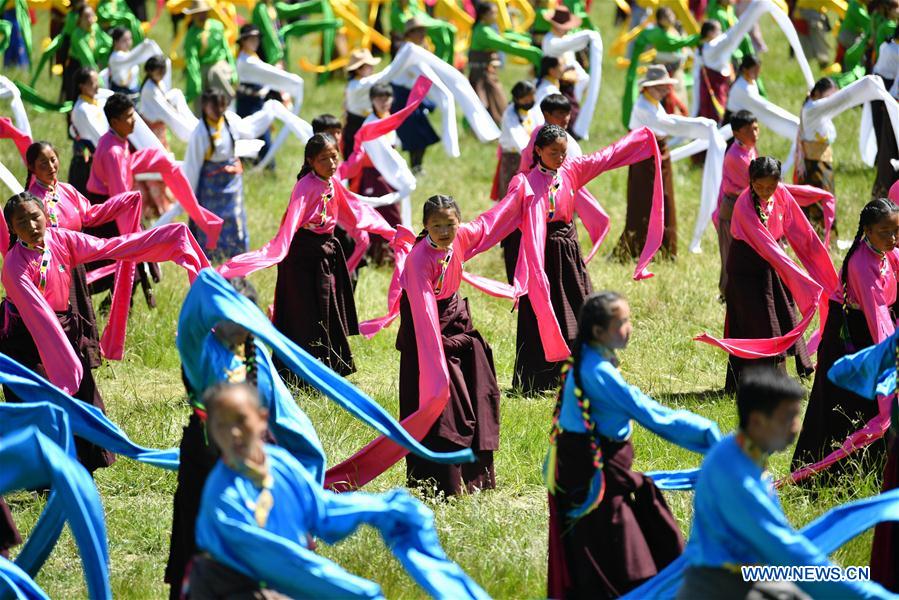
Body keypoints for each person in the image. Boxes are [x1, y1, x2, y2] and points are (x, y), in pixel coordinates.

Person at [186, 382, 488, 599]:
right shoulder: (222, 499)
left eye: (241, 421)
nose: (234, 433)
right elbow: (280, 561)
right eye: (222, 425)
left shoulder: (278, 464)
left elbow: (321, 510)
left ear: (263, 419)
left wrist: (380, 508)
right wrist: (353, 591)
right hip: (231, 588)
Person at [0, 192, 209, 471]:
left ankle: (85, 465)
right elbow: (40, 320)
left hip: (61, 327)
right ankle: (47, 476)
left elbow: (109, 247)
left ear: (45, 217)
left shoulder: (61, 239)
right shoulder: (14, 266)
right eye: (21, 221)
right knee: (43, 403)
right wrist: (66, 371)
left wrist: (167, 239)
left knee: (83, 396)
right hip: (26, 339)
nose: (31, 225)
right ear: (12, 229)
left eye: (34, 216)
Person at [546, 292, 721, 598]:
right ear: (599, 332)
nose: (629, 328)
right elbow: (651, 414)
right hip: (595, 482)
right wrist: (708, 434)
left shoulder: (588, 358)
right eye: (621, 322)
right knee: (623, 558)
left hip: (588, 475)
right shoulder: (597, 373)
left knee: (607, 550)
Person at [676, 368, 879, 599]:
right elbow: (786, 550)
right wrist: (870, 594)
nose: (797, 428)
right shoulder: (738, 478)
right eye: (788, 418)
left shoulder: (740, 451)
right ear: (757, 421)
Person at [218, 133, 396, 377]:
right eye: (324, 159)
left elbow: (356, 211)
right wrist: (277, 250)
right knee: (303, 316)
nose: (331, 164)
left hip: (324, 254)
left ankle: (329, 370)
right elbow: (291, 222)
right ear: (311, 161)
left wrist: (391, 233)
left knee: (327, 310)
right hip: (301, 259)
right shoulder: (305, 186)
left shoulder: (332, 184)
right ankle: (296, 374)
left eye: (334, 157)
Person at [511, 125, 661, 394]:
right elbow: (498, 218)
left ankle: (587, 368)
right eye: (553, 151)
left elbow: (605, 157)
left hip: (567, 249)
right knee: (541, 311)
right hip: (540, 253)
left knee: (580, 305)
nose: (559, 157)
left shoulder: (571, 170)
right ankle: (539, 378)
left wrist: (640, 139)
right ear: (538, 151)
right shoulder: (525, 183)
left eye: (563, 152)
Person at [390, 195, 518, 495]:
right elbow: (422, 313)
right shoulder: (419, 260)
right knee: (438, 402)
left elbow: (492, 221)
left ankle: (475, 478)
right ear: (425, 226)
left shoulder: (460, 238)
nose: (445, 231)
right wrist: (436, 365)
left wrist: (519, 194)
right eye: (436, 225)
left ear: (459, 223)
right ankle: (438, 482)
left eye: (450, 224)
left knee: (474, 391)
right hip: (427, 336)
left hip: (454, 319)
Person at [791, 198, 899, 472]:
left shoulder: (888, 252)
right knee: (843, 403)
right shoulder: (862, 266)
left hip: (869, 330)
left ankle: (873, 467)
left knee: (870, 401)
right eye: (885, 231)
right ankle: (826, 472)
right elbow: (879, 321)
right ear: (867, 231)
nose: (893, 237)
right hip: (850, 337)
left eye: (896, 231)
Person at [713, 157, 837, 391]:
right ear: (750, 182)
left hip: (772, 265)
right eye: (759, 187)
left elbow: (802, 230)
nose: (765, 192)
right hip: (746, 270)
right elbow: (766, 245)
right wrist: (799, 277)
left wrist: (818, 265)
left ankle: (775, 380)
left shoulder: (780, 193)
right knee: (759, 325)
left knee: (782, 318)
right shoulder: (744, 205)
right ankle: (764, 384)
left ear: (778, 182)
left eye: (770, 187)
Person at [614, 65, 718, 260]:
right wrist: (701, 125)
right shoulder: (644, 106)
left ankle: (663, 248)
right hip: (645, 157)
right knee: (644, 201)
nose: (664, 91)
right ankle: (638, 247)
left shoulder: (653, 102)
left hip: (657, 153)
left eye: (665, 86)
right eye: (659, 86)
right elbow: (667, 124)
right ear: (648, 87)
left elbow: (666, 122)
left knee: (665, 198)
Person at [622, 7, 700, 129]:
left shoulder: (674, 29)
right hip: (663, 72)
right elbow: (679, 43)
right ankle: (665, 125)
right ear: (659, 19)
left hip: (676, 71)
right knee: (665, 98)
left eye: (671, 15)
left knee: (678, 96)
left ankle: (676, 124)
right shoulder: (658, 33)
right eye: (666, 17)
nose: (669, 18)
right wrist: (699, 38)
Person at [468, 2, 542, 124]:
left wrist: (526, 39)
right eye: (493, 13)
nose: (496, 16)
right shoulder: (484, 32)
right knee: (488, 101)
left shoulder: (484, 28)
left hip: (486, 74)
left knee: (494, 100)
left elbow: (504, 37)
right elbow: (506, 45)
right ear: (483, 15)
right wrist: (533, 52)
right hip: (482, 76)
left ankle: (493, 125)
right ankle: (489, 127)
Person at [716, 110, 759, 298]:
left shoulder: (749, 149)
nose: (755, 134)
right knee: (731, 253)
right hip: (733, 209)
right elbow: (753, 184)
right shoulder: (736, 157)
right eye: (749, 131)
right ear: (736, 134)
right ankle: (729, 292)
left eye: (756, 129)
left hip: (745, 206)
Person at [392, 18, 440, 174]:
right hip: (403, 97)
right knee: (414, 136)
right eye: (418, 31)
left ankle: (417, 166)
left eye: (423, 31)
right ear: (410, 34)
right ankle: (414, 167)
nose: (422, 34)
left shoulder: (416, 50)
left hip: (414, 95)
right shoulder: (407, 51)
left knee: (421, 135)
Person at [491, 81, 542, 203]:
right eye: (526, 99)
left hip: (531, 156)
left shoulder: (534, 110)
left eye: (532, 98)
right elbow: (518, 139)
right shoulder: (510, 114)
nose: (530, 102)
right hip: (513, 158)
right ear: (518, 99)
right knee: (511, 194)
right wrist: (532, 156)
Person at [234, 24, 275, 170]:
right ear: (243, 41)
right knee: (255, 137)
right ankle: (264, 167)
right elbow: (266, 74)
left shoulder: (252, 57)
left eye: (256, 39)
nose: (255, 42)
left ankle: (265, 167)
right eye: (251, 39)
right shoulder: (245, 60)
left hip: (256, 103)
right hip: (248, 104)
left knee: (260, 137)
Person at [182, 0, 237, 105]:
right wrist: (195, 82)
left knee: (216, 74)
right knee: (201, 100)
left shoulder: (217, 26)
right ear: (193, 16)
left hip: (219, 66)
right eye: (197, 13)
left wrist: (233, 68)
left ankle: (228, 106)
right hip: (203, 68)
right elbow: (192, 60)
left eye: (203, 12)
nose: (201, 16)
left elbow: (226, 48)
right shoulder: (191, 35)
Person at [106, 26, 164, 98]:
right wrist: (145, 47)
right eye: (124, 40)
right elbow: (131, 58)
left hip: (134, 92)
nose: (128, 42)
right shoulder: (115, 57)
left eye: (130, 39)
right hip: (121, 94)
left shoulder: (127, 53)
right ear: (116, 42)